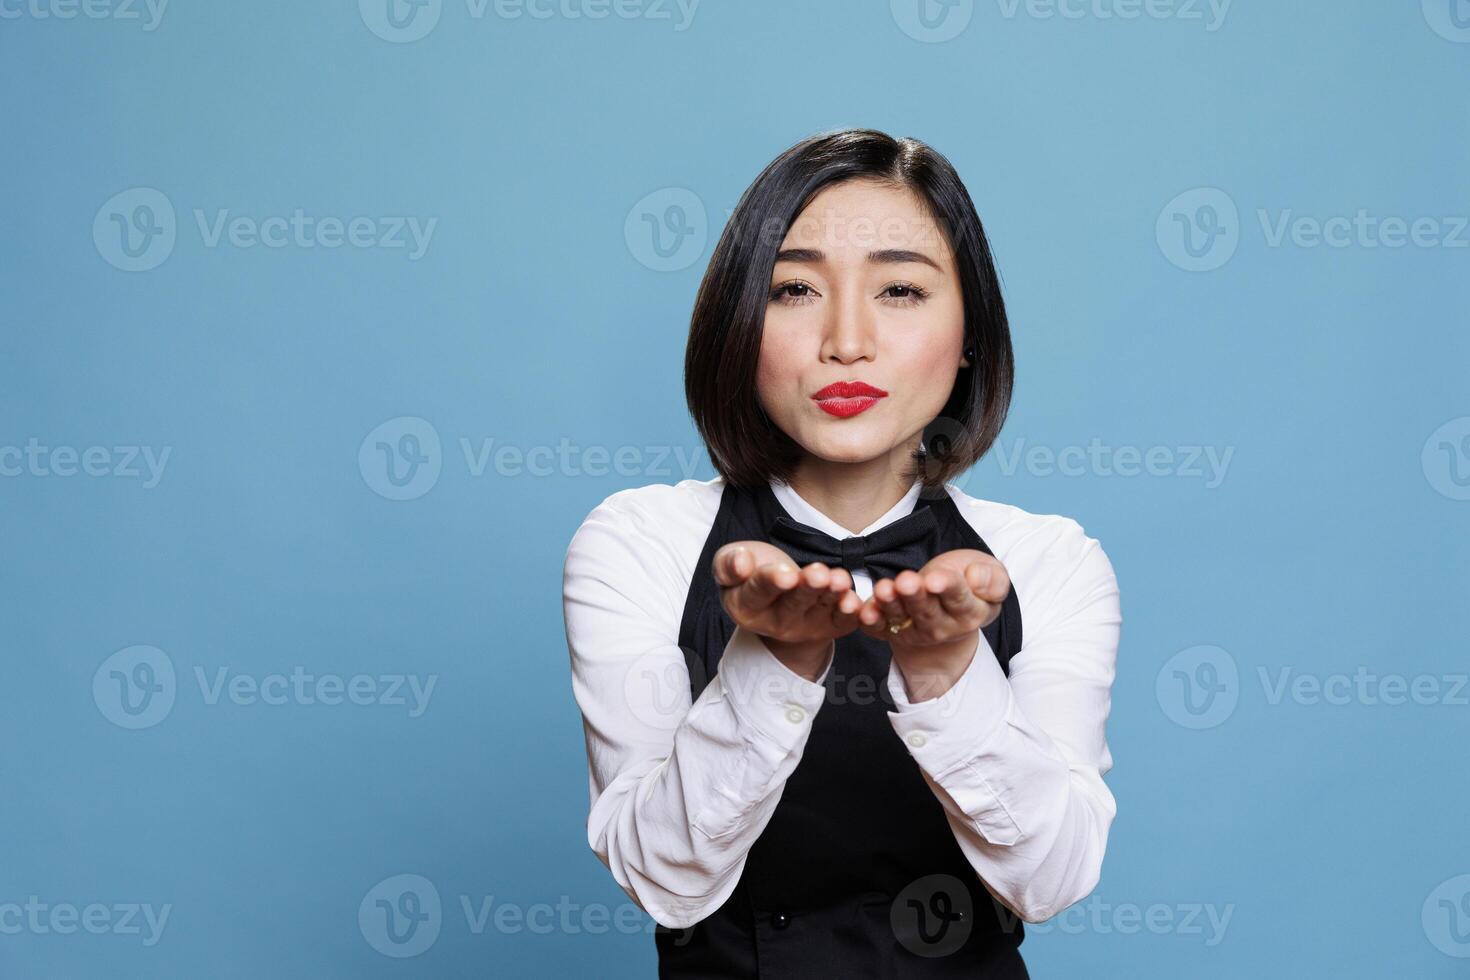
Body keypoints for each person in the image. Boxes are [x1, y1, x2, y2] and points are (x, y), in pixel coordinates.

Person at [562, 128, 1121, 978]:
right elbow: (660, 878)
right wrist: (775, 660)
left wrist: (943, 669)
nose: (846, 340)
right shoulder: (641, 542)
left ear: (970, 330)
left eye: (900, 288)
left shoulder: (1048, 560)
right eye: (794, 289)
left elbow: (1052, 878)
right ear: (739, 323)